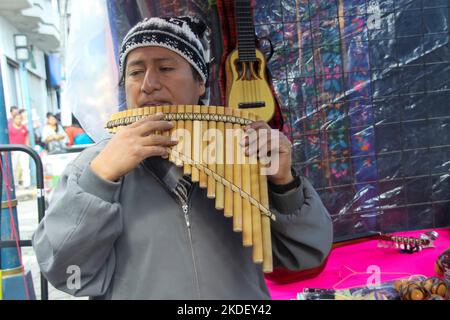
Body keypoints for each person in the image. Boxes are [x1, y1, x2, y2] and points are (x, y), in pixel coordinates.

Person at [32, 16, 333, 299]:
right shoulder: (92, 166)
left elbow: (305, 254)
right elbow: (65, 273)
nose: (148, 83)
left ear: (200, 83)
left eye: (165, 68)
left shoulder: (242, 153)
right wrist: (100, 180)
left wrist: (284, 186)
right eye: (135, 72)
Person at [8, 112, 31, 188]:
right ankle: (15, 183)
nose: (19, 120)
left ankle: (27, 184)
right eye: (17, 118)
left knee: (25, 167)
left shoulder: (24, 127)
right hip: (13, 150)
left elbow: (27, 137)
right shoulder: (10, 127)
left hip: (23, 149)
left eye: (20, 118)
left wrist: (27, 147)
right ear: (13, 119)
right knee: (14, 167)